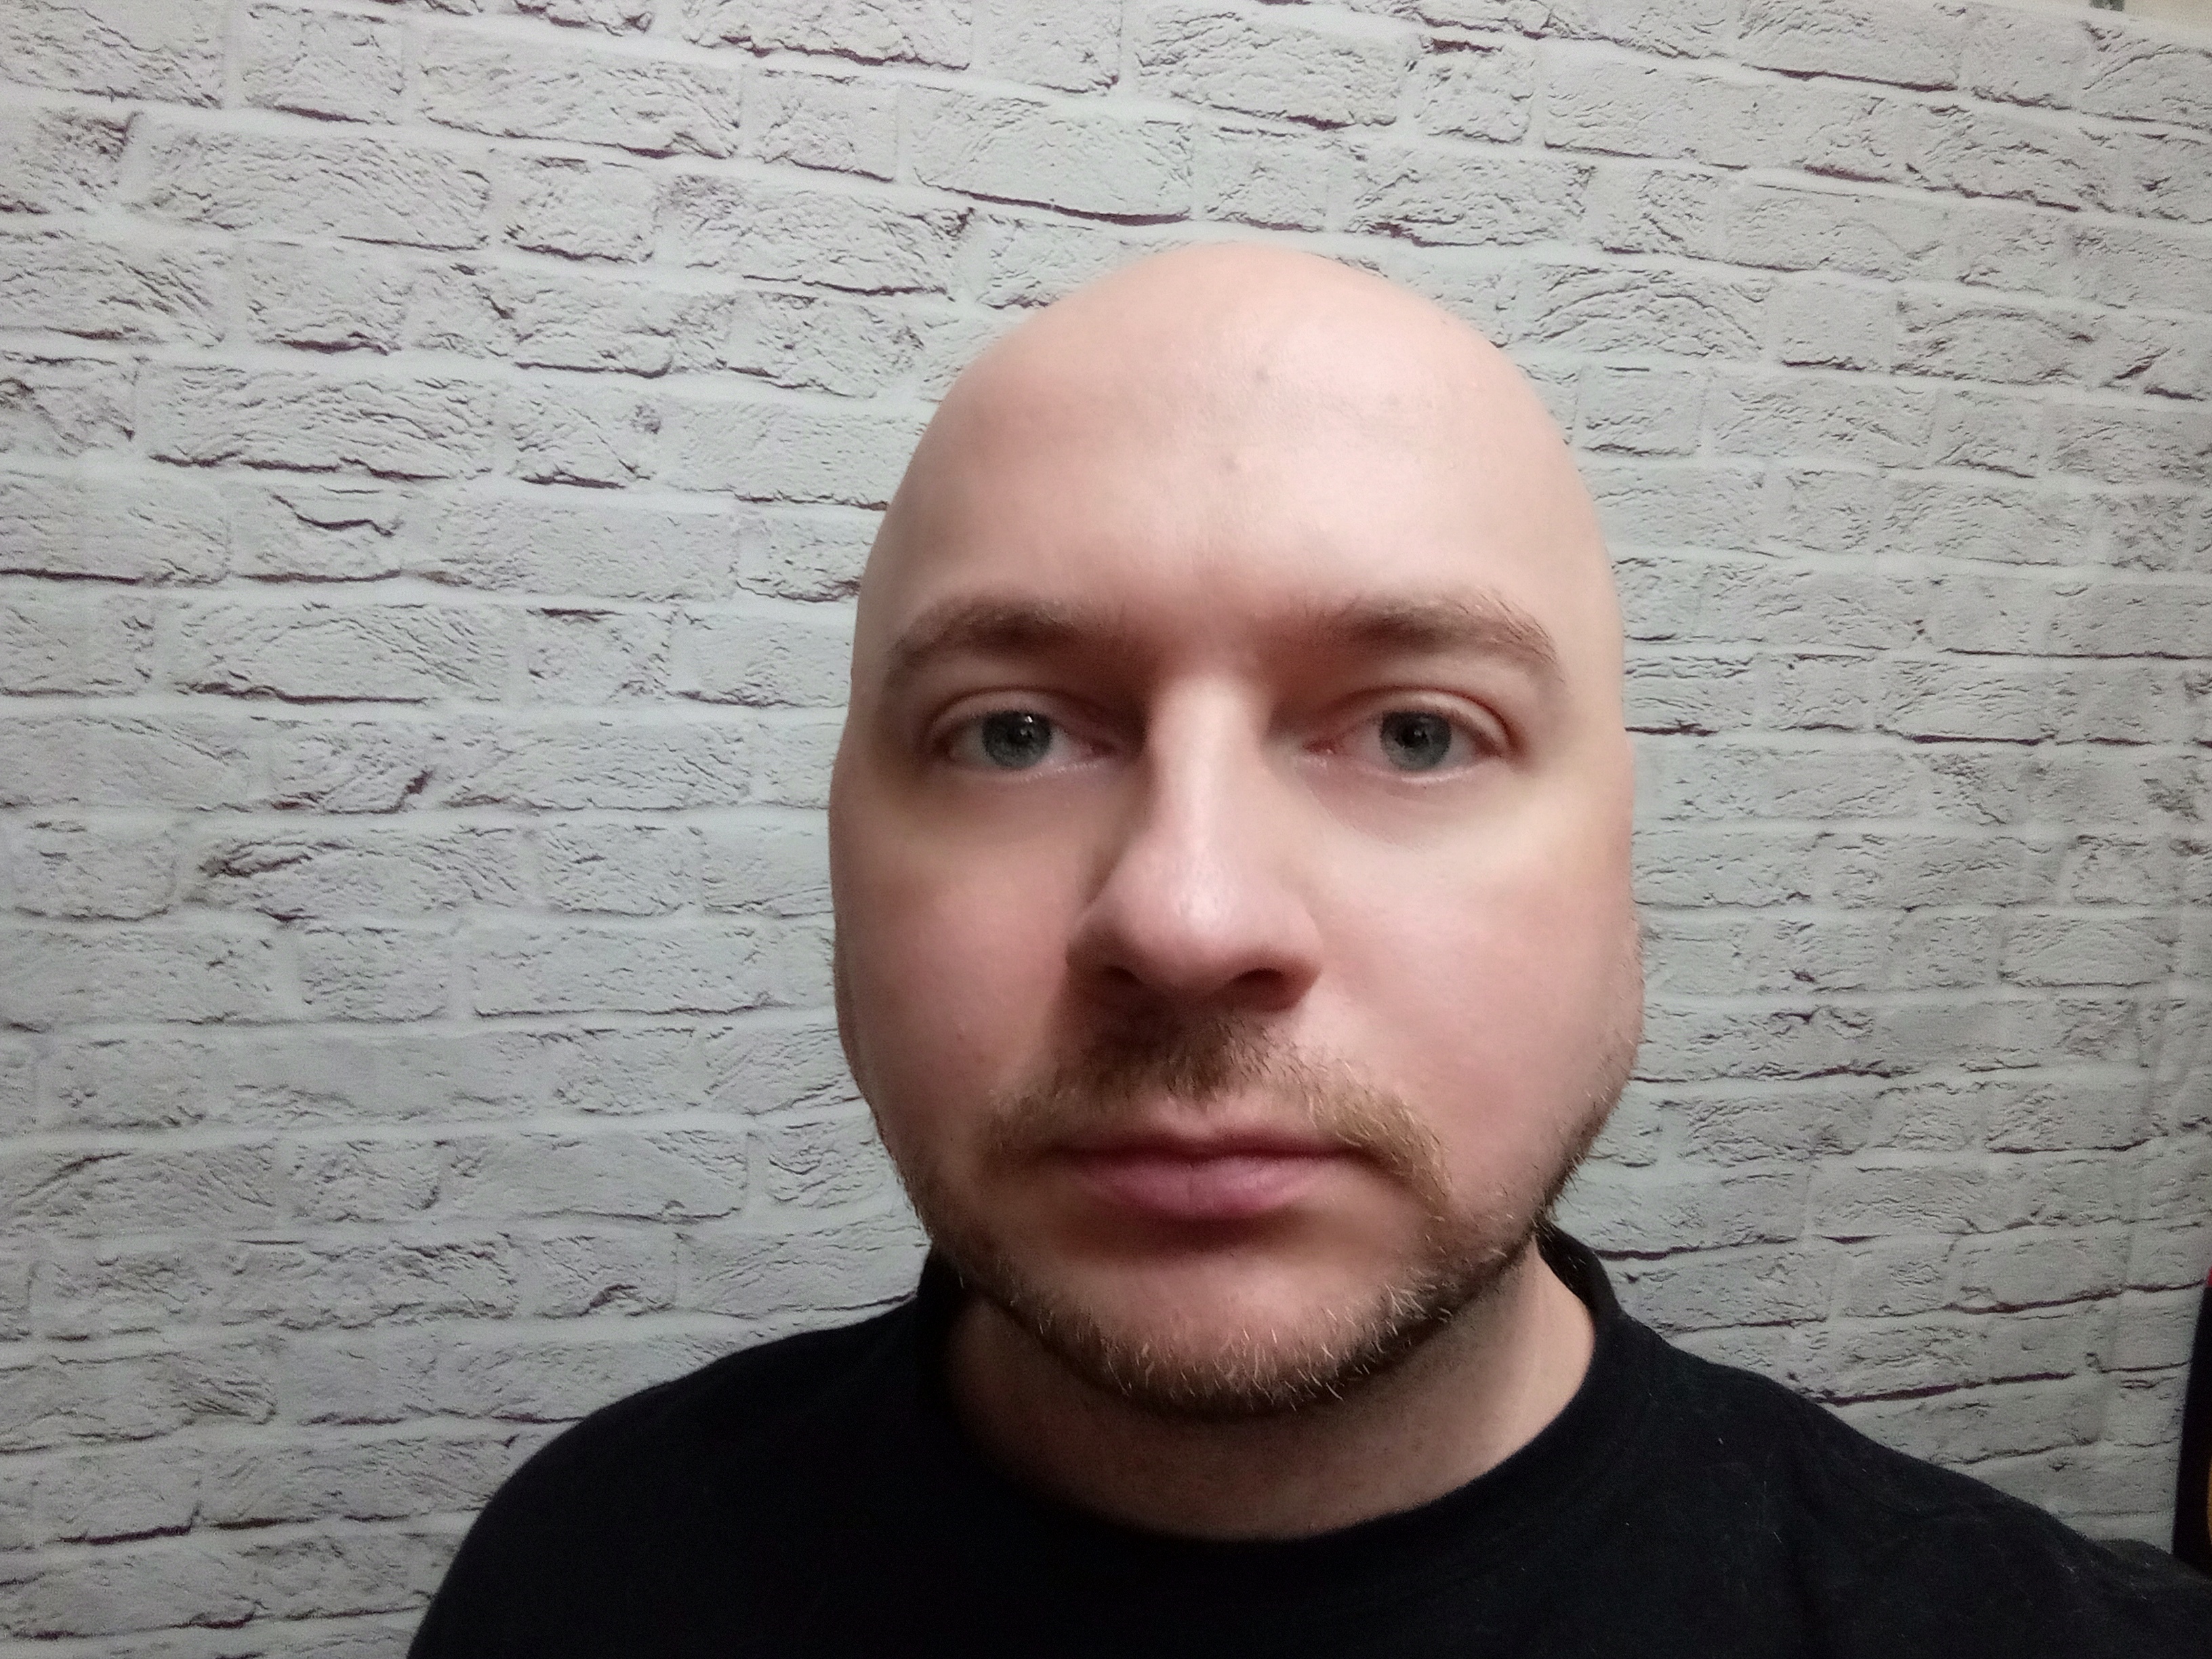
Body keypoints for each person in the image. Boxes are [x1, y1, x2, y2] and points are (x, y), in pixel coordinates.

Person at [409, 246, 2212, 1656]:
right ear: (839, 856)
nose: (1189, 920)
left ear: (1621, 869)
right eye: (1013, 733)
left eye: (1419, 733)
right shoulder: (584, 1576)